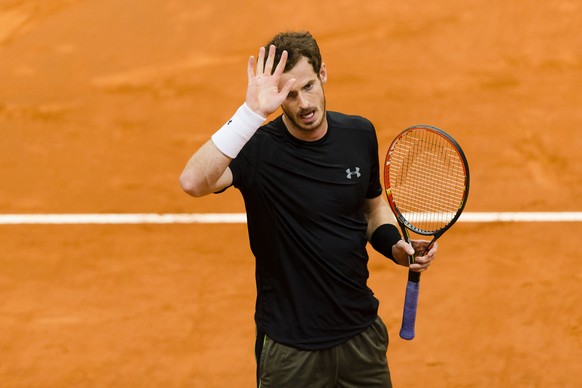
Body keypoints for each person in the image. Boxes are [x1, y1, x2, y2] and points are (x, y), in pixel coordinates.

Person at [180, 31, 437, 388]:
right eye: (290, 95)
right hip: (291, 350)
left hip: (360, 337)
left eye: (309, 86)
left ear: (324, 74)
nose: (304, 104)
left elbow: (371, 207)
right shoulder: (257, 150)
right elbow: (193, 181)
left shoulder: (359, 134)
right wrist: (250, 113)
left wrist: (396, 247)